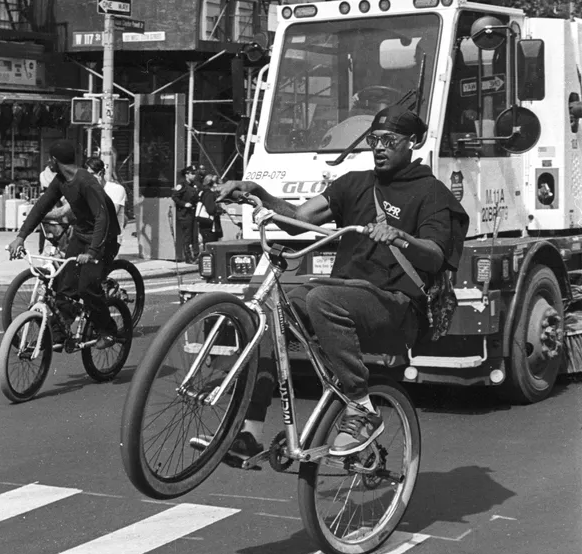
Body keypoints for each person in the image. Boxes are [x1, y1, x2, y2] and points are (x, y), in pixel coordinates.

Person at [217, 105, 470, 459]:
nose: (378, 147)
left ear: (412, 142)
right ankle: (250, 432)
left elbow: (435, 255)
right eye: (374, 140)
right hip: (345, 296)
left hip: (396, 306)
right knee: (271, 313)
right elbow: (300, 218)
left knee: (322, 297)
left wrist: (400, 238)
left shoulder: (432, 194)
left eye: (388, 140)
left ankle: (361, 406)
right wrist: (257, 190)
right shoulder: (354, 183)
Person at [7, 140, 121, 350]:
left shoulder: (86, 181)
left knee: (86, 287)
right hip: (81, 235)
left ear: (54, 160)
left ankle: (109, 330)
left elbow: (102, 218)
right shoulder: (61, 180)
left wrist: (93, 252)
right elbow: (42, 206)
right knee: (63, 285)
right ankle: (59, 333)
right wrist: (21, 236)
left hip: (103, 238)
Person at [86, 156, 128, 244]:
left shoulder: (117, 189)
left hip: (110, 238)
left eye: (91, 174)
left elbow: (109, 214)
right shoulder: (87, 190)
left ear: (100, 173)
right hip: (91, 236)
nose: (88, 179)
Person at [171, 164, 200, 263]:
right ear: (187, 174)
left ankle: (196, 255)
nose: (194, 175)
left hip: (193, 213)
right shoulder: (182, 185)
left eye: (194, 173)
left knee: (194, 235)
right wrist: (184, 204)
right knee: (187, 236)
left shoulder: (194, 185)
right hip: (184, 214)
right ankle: (188, 257)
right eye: (192, 173)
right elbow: (175, 197)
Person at [195, 174, 223, 248]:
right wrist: (220, 210)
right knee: (211, 248)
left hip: (204, 224)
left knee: (206, 246)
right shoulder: (209, 194)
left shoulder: (202, 192)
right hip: (210, 226)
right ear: (213, 184)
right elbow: (211, 210)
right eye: (217, 183)